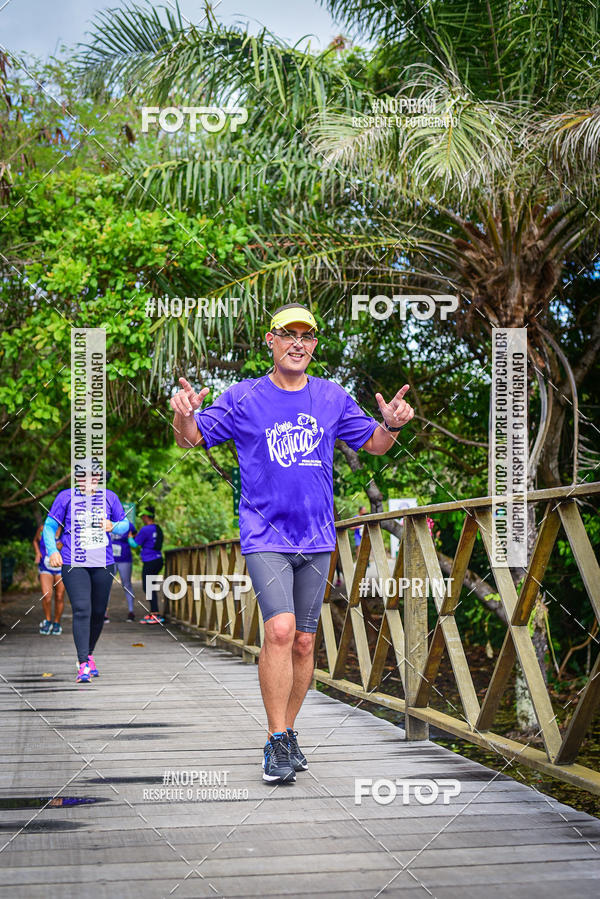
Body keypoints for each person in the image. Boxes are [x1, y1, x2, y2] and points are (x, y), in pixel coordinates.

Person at [170, 302, 414, 784]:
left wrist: (392, 424)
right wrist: (183, 416)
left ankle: (289, 732)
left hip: (318, 537)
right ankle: (275, 739)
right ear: (271, 340)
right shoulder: (244, 396)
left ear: (314, 345)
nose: (298, 343)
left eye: (307, 335)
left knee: (305, 641)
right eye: (288, 334)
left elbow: (376, 444)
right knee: (279, 630)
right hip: (265, 536)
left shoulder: (331, 397)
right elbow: (192, 440)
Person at [43, 472, 130, 683]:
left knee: (99, 612)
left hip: (104, 563)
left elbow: (125, 524)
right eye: (82, 475)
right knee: (83, 609)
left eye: (93, 475)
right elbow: (49, 526)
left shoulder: (110, 497)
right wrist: (52, 550)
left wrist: (113, 526)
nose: (88, 479)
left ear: (99, 477)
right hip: (74, 562)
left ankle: (89, 654)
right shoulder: (65, 497)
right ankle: (83, 664)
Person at [132, 506, 164, 624]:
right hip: (158, 560)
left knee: (148, 587)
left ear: (146, 517)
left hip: (150, 561)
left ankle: (155, 614)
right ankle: (154, 613)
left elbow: (134, 544)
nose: (142, 519)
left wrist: (130, 536)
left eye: (142, 517)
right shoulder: (157, 528)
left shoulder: (145, 529)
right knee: (151, 586)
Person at [33, 523, 65, 635]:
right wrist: (37, 553)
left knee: (60, 596)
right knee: (46, 596)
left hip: (61, 568)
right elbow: (35, 541)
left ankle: (56, 623)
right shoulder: (42, 528)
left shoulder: (66, 531)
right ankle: (47, 621)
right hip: (45, 567)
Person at [111, 518, 137, 621]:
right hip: (109, 559)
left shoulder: (128, 524)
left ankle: (131, 611)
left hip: (124, 558)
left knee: (127, 585)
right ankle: (103, 613)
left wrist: (130, 538)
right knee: (105, 586)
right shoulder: (105, 521)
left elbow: (135, 534)